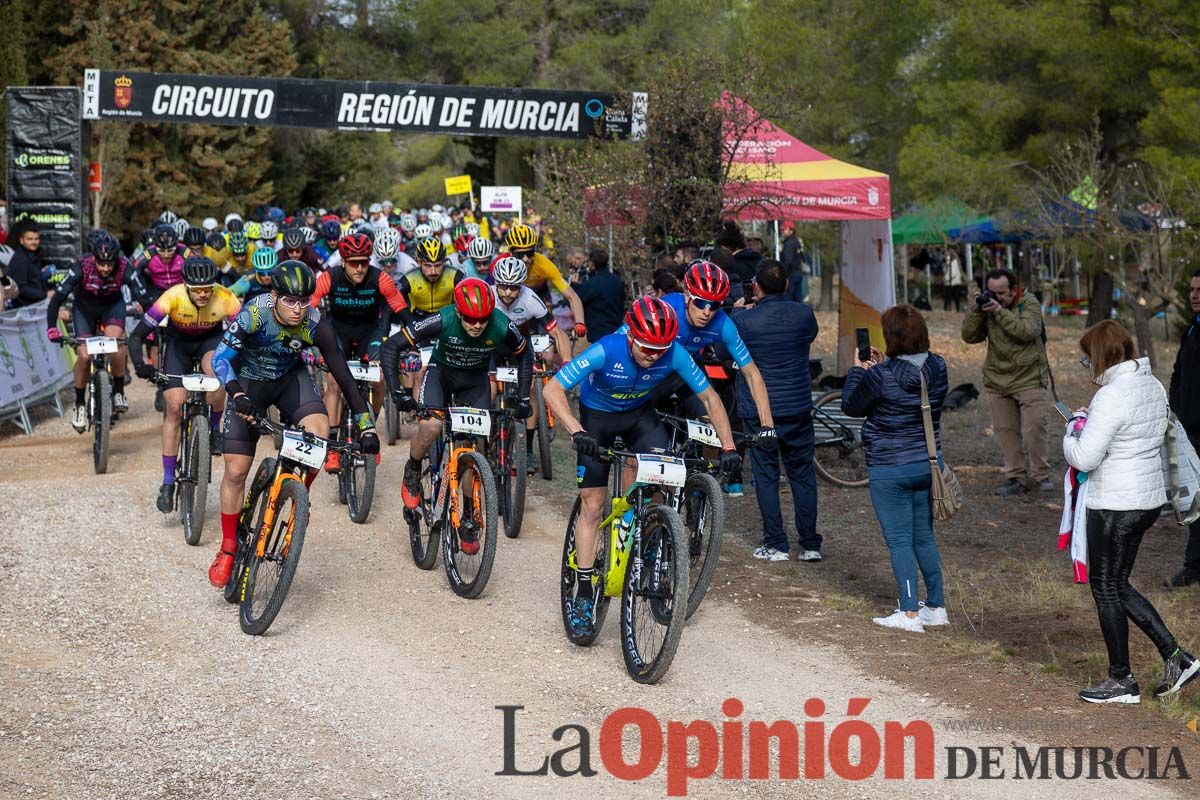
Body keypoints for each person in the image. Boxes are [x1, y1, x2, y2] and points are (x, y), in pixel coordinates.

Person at [544, 296, 741, 636]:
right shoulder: (607, 349)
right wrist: (576, 431)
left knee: (664, 482)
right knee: (592, 506)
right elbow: (553, 389)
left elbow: (710, 398)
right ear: (631, 337)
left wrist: (728, 446)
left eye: (661, 349)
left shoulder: (673, 353)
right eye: (647, 347)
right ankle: (585, 590)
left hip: (639, 417)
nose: (653, 356)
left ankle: (651, 541)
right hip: (598, 419)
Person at [209, 261, 380, 586]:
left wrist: (366, 425)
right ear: (274, 296)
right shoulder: (254, 313)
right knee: (235, 471)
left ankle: (297, 495)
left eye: (305, 301)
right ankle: (229, 548)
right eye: (290, 301)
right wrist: (236, 395)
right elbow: (220, 358)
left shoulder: (316, 324)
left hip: (290, 380)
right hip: (248, 382)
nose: (299, 309)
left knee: (319, 430)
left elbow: (343, 377)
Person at [1063, 320, 1199, 703]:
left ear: (1101, 356)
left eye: (1086, 357)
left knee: (1105, 588)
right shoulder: (1150, 384)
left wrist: (1072, 430)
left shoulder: (1112, 395)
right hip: (1146, 501)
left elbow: (1085, 456)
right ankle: (1177, 658)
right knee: (1118, 585)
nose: (1085, 364)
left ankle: (1121, 679)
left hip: (1114, 504)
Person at [382, 278, 533, 553]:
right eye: (470, 320)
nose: (477, 325)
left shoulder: (500, 324)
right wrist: (397, 392)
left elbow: (525, 354)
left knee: (470, 446)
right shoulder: (444, 319)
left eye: (482, 320)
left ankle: (467, 517)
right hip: (441, 375)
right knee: (431, 427)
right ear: (458, 312)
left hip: (474, 383)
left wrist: (523, 397)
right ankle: (413, 468)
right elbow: (391, 346)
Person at [842, 304, 949, 633]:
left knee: (899, 540)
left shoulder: (880, 375)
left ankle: (908, 612)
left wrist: (858, 370)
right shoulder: (938, 367)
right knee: (923, 537)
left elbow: (851, 405)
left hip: (890, 467)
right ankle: (935, 606)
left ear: (891, 338)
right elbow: (911, 386)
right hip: (927, 463)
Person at [129, 256, 242, 511]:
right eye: (197, 290)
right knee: (174, 406)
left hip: (210, 342)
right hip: (178, 346)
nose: (202, 294)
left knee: (218, 374)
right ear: (186, 286)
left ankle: (214, 427)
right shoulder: (171, 297)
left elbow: (248, 331)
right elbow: (136, 335)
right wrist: (140, 365)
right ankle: (168, 482)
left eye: (207, 289)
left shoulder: (225, 296)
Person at [733, 260, 821, 562]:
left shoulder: (745, 321)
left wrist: (737, 310)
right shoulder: (804, 315)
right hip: (797, 406)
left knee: (766, 476)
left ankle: (776, 542)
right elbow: (809, 337)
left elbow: (723, 351)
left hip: (760, 411)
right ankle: (810, 543)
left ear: (756, 286)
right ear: (786, 284)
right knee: (803, 475)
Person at [310, 232, 408, 471]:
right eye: (354, 263)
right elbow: (308, 307)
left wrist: (421, 337)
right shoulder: (328, 277)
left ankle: (368, 427)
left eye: (364, 262)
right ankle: (333, 447)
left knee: (379, 378)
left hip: (370, 333)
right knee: (333, 381)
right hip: (338, 333)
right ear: (343, 262)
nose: (360, 268)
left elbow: (401, 310)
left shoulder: (380, 278)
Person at [961, 268, 1052, 495]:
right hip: (997, 379)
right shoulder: (986, 308)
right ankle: (1015, 477)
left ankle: (1040, 476)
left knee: (1034, 428)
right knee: (1006, 431)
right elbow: (969, 336)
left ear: (1014, 290)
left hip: (1029, 377)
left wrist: (999, 312)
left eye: (1001, 293)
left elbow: (1027, 331)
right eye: (991, 292)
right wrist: (976, 310)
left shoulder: (1028, 303)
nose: (996, 297)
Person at [46, 231, 150, 426]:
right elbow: (58, 298)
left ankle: (118, 391)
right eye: (101, 263)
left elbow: (143, 297)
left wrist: (150, 321)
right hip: (84, 309)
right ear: (93, 257)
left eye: (109, 264)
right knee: (84, 357)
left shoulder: (124, 266)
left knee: (115, 344)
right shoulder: (80, 266)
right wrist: (51, 327)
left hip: (112, 307)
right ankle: (79, 404)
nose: (105, 268)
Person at [1166, 269, 1200, 589]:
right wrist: (1176, 400)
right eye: (1191, 289)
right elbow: (1178, 371)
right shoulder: (1191, 329)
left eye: (1199, 290)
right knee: (1195, 500)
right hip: (1191, 431)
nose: (1194, 295)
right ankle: (1194, 567)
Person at [502, 223, 587, 339]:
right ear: (510, 252)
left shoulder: (544, 264)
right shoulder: (501, 262)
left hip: (540, 294)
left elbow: (572, 296)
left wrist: (580, 322)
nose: (526, 258)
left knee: (548, 322)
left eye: (529, 253)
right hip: (514, 296)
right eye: (520, 254)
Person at [571, 248, 626, 342]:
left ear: (592, 264)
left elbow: (576, 301)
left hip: (598, 333)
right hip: (617, 330)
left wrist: (574, 286)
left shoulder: (592, 284)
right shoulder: (618, 281)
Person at [5, 219, 49, 307]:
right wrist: (45, 295)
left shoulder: (34, 255)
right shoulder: (20, 259)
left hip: (37, 305)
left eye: (36, 239)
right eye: (29, 239)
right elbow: (21, 289)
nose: (34, 242)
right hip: (25, 310)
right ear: (21, 240)